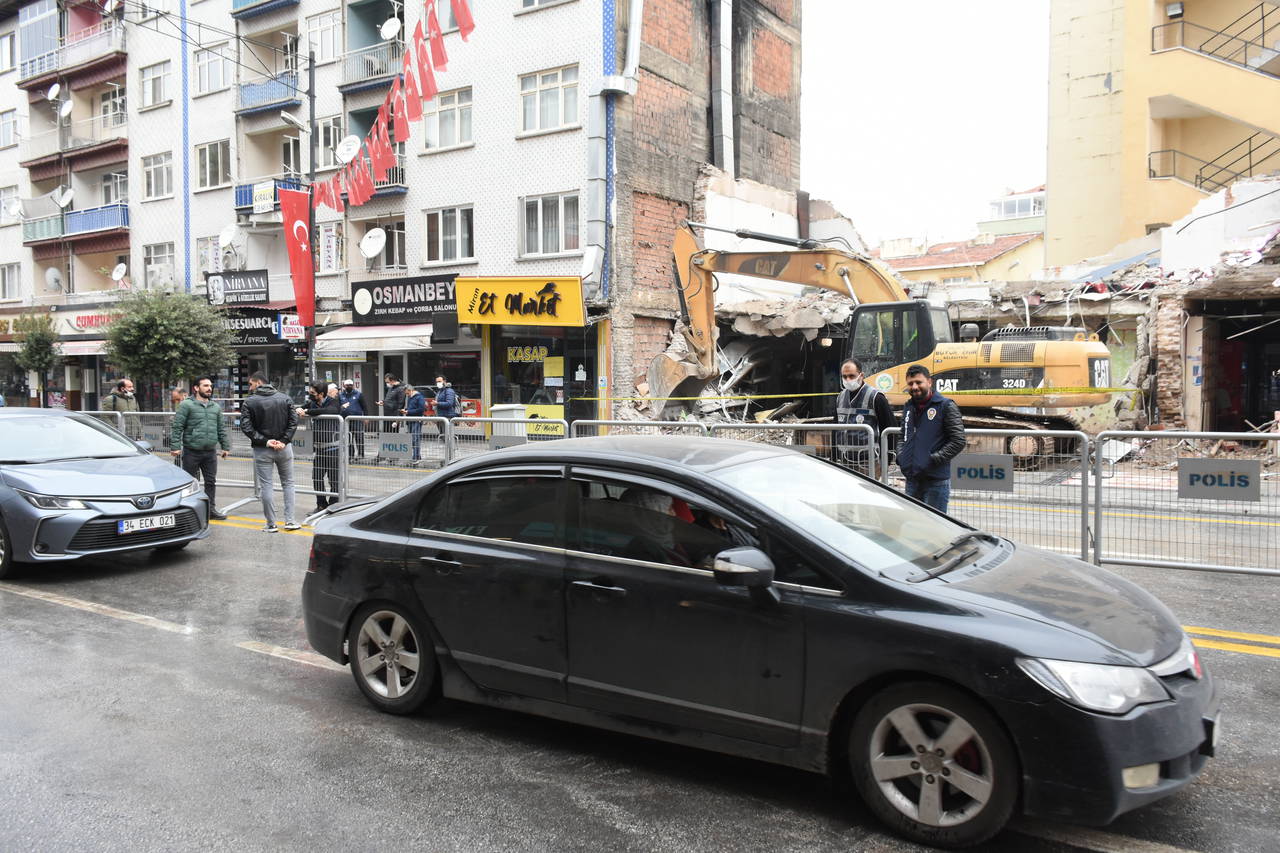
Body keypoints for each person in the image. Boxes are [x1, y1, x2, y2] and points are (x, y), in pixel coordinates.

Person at [897, 364, 966, 513]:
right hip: (912, 480)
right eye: (910, 383)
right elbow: (903, 436)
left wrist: (933, 459)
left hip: (936, 482)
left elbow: (958, 440)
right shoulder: (908, 407)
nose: (914, 387)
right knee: (913, 526)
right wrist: (901, 457)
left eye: (918, 382)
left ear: (929, 382)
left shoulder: (946, 406)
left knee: (935, 530)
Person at [240, 372, 300, 532]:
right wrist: (284, 440)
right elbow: (293, 422)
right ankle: (290, 521)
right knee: (288, 483)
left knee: (266, 485)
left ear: (258, 383)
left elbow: (246, 427)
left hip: (262, 448)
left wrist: (265, 441)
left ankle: (271, 524)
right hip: (284, 447)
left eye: (251, 384)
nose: (250, 388)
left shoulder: (249, 402)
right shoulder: (284, 398)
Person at [169, 377, 230, 520]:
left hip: (210, 452)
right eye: (205, 385)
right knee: (190, 482)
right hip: (192, 451)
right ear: (196, 388)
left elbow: (221, 428)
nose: (209, 388)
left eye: (210, 386)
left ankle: (210, 510)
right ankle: (188, 511)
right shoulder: (187, 405)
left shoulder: (215, 407)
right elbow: (178, 427)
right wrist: (175, 446)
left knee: (210, 482)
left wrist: (225, 446)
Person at [835, 357, 895, 474]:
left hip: (869, 462)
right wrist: (833, 457)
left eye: (851, 376)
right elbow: (835, 428)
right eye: (844, 376)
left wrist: (886, 461)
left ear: (861, 375)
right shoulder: (840, 397)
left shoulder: (876, 398)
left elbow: (889, 429)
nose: (847, 380)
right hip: (844, 461)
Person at [298, 381, 341, 512]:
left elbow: (331, 411)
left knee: (334, 480)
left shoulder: (332, 402)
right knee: (316, 477)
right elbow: (301, 408)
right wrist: (299, 409)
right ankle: (321, 505)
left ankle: (333, 505)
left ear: (321, 394)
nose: (310, 395)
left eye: (312, 393)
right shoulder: (312, 403)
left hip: (333, 448)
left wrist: (308, 411)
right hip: (319, 448)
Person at [339, 379, 366, 459]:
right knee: (348, 438)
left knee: (359, 437)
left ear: (353, 386)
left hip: (357, 420)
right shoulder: (340, 396)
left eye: (350, 385)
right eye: (347, 385)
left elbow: (364, 407)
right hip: (346, 421)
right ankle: (350, 455)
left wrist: (366, 417)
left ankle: (361, 454)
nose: (349, 387)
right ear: (344, 386)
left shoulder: (359, 394)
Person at [402, 384, 426, 464]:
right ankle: (417, 456)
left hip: (416, 420)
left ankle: (416, 457)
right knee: (413, 439)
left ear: (410, 390)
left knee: (415, 439)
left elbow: (421, 409)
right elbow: (411, 408)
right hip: (410, 420)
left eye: (407, 393)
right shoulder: (410, 397)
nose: (406, 395)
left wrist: (408, 411)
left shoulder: (419, 397)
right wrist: (405, 410)